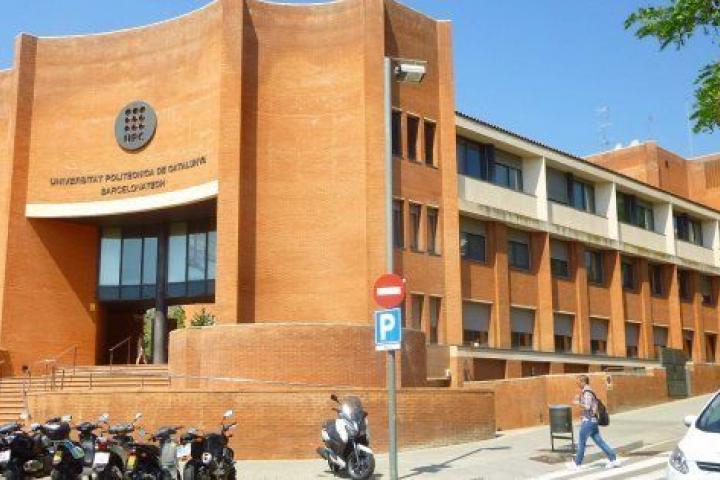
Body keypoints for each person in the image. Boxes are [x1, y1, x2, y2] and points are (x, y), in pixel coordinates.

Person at [566, 375, 621, 470]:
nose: (577, 384)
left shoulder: (587, 392)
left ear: (583, 382)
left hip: (588, 421)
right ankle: (613, 459)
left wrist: (578, 403)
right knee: (600, 442)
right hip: (593, 421)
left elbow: (587, 407)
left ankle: (577, 463)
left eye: (578, 382)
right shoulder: (588, 391)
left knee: (581, 443)